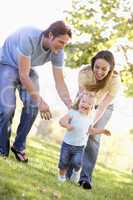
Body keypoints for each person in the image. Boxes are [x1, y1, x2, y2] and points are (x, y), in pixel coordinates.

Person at [0, 20, 72, 162]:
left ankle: (19, 146)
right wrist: (40, 101)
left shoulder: (58, 51)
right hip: (7, 64)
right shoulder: (29, 37)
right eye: (61, 42)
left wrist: (71, 106)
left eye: (65, 44)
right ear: (50, 35)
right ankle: (1, 148)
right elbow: (23, 75)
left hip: (26, 69)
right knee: (7, 108)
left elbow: (60, 82)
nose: (63, 47)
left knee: (32, 106)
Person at [67, 50, 121, 189]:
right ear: (93, 64)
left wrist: (90, 125)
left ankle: (85, 178)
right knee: (77, 132)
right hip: (85, 101)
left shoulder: (114, 80)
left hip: (104, 106)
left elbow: (103, 105)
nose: (99, 71)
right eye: (97, 67)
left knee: (93, 136)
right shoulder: (85, 73)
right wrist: (76, 119)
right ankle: (69, 172)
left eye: (104, 69)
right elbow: (80, 98)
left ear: (110, 69)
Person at [58, 92, 111, 183]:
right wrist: (67, 125)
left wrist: (102, 131)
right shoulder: (73, 113)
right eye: (83, 101)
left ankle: (76, 172)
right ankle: (62, 177)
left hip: (80, 147)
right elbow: (61, 121)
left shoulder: (90, 118)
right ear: (78, 102)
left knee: (77, 162)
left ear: (92, 107)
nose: (85, 104)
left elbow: (91, 131)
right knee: (63, 162)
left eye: (89, 104)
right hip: (67, 144)